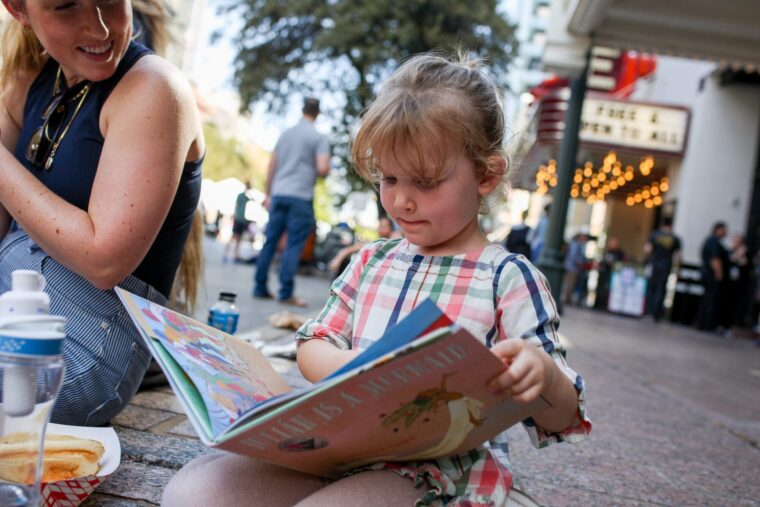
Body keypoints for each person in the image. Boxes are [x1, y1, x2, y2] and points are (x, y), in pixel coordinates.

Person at [163, 52, 590, 507]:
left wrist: (541, 372)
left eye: (425, 182)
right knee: (194, 494)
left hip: (428, 474)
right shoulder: (371, 261)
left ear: (486, 175)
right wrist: (358, 373)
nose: (402, 201)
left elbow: (565, 416)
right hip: (332, 452)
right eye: (388, 178)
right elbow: (313, 342)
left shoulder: (507, 277)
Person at [0, 0, 204, 425]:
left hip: (80, 350)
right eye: (66, 6)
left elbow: (104, 258)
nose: (98, 27)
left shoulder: (154, 89)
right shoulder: (30, 79)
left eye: (111, 1)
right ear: (19, 10)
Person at [253, 97, 330, 307]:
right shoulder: (318, 137)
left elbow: (272, 165)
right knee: (294, 244)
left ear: (302, 109)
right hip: (301, 196)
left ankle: (260, 287)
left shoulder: (285, 134)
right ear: (317, 114)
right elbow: (323, 169)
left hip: (279, 193)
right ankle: (285, 292)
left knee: (270, 241)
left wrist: (268, 193)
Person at [326, 216, 397, 278]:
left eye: (384, 226)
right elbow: (350, 249)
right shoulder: (376, 242)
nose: (380, 229)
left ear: (391, 228)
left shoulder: (394, 239)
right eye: (379, 226)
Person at [644, 217, 682, 322]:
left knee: (651, 290)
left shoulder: (654, 235)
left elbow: (647, 250)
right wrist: (678, 270)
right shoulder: (675, 238)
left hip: (654, 266)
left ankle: (649, 313)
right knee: (661, 291)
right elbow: (678, 256)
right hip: (666, 267)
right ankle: (657, 315)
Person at [697, 222, 729, 332]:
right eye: (724, 230)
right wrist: (719, 273)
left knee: (707, 298)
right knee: (710, 299)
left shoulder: (712, 240)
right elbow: (714, 259)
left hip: (707, 274)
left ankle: (703, 323)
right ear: (718, 229)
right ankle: (706, 324)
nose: (726, 232)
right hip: (710, 276)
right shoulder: (713, 241)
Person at [223, 180, 252, 263]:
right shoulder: (241, 196)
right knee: (233, 237)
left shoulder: (246, 197)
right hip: (238, 219)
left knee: (238, 239)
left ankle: (235, 255)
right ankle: (225, 254)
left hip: (242, 220)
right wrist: (234, 216)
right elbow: (236, 206)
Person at [594, 236, 625, 310]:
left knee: (608, 290)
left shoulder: (619, 253)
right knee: (600, 288)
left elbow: (620, 263)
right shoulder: (607, 252)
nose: (612, 245)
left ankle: (605, 306)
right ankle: (598, 304)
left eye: (614, 243)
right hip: (604, 273)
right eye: (611, 243)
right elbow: (603, 261)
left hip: (612, 275)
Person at [562, 230, 589, 306]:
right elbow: (573, 256)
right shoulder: (576, 244)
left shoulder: (577, 244)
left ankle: (568, 299)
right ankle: (567, 299)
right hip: (572, 267)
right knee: (570, 283)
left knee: (570, 284)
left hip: (572, 266)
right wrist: (580, 263)